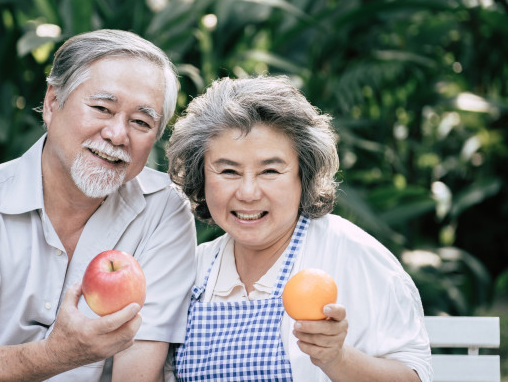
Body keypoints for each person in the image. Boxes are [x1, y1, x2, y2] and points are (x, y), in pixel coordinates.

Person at [0, 29, 196, 381]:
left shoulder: (163, 209)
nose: (117, 134)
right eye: (102, 108)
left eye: (141, 122)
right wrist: (55, 355)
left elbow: (139, 367)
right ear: (53, 103)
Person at [166, 76, 432, 381]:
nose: (248, 192)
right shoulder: (192, 269)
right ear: (201, 177)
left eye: (270, 171)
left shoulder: (355, 255)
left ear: (303, 175)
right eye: (228, 171)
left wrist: (337, 358)